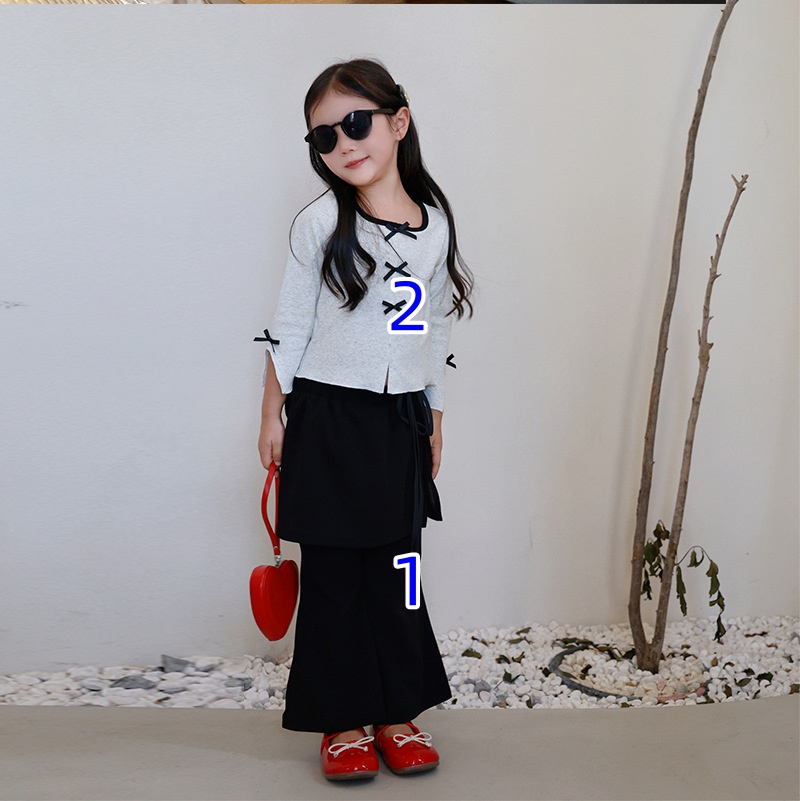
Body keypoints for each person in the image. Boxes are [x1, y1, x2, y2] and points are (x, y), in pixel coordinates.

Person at [256, 58, 474, 782]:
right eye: (324, 135)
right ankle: (343, 719)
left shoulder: (435, 226)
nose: (344, 143)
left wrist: (433, 411)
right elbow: (290, 326)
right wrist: (272, 416)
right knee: (333, 575)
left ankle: (399, 709)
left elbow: (430, 330)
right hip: (327, 418)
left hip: (399, 423)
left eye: (357, 123)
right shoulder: (321, 222)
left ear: (398, 122)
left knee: (401, 570)